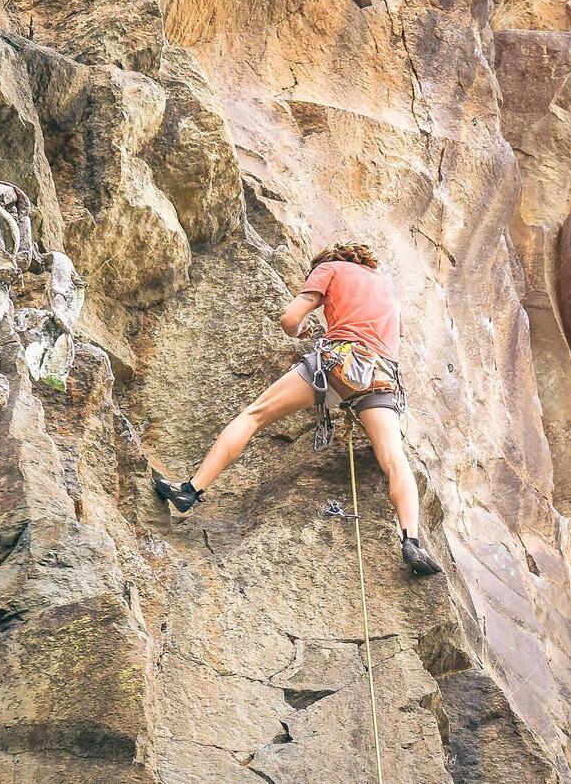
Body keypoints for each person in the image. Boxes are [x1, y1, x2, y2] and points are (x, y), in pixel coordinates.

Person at [154, 242, 443, 576]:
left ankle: (191, 490)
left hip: (336, 363)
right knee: (394, 457)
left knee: (253, 415)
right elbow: (392, 340)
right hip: (380, 375)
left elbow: (289, 318)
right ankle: (412, 540)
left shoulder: (331, 269)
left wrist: (300, 329)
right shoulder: (388, 289)